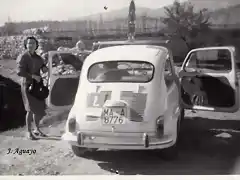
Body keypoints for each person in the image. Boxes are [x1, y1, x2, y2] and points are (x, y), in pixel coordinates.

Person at [16, 36, 48, 140]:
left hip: (37, 86)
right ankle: (28, 132)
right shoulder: (23, 57)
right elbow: (19, 72)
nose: (31, 45)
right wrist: (33, 76)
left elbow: (43, 67)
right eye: (29, 43)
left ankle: (37, 129)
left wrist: (44, 68)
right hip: (27, 85)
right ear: (26, 45)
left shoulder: (38, 58)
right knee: (30, 109)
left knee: (39, 108)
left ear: (36, 45)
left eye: (33, 43)